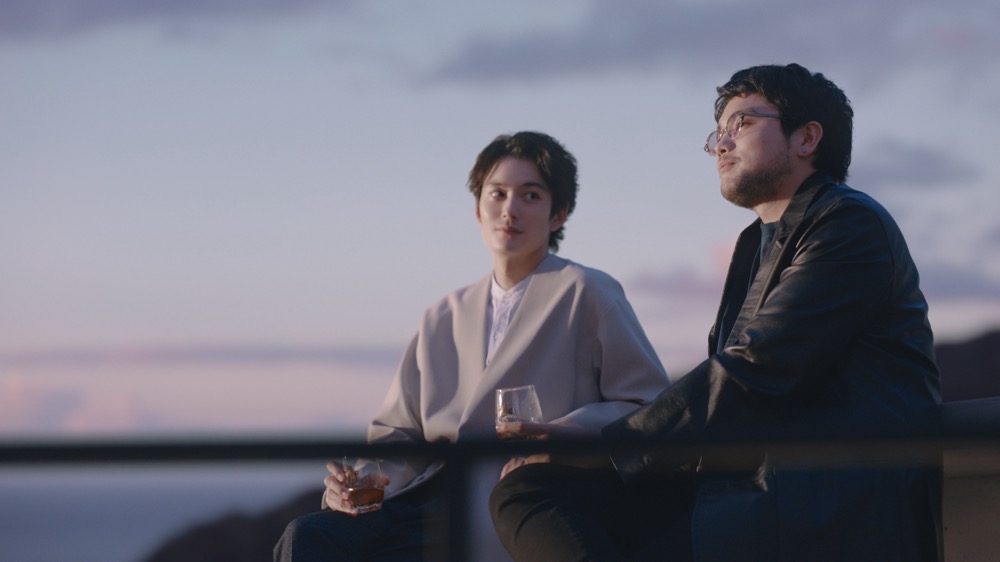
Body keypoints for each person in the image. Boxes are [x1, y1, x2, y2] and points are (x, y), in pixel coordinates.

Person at [490, 64, 942, 561]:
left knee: (554, 490)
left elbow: (758, 368)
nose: (721, 144)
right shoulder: (754, 246)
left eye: (742, 124)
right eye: (717, 133)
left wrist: (609, 446)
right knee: (530, 486)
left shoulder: (849, 224)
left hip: (823, 501)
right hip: (748, 490)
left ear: (807, 138)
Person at [274, 131, 670, 561]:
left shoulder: (588, 292)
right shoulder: (442, 315)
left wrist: (566, 432)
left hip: (518, 502)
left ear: (558, 214)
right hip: (421, 502)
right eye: (497, 194)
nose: (509, 209)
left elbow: (649, 406)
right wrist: (357, 481)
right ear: (478, 210)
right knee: (307, 537)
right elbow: (398, 433)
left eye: (531, 195)